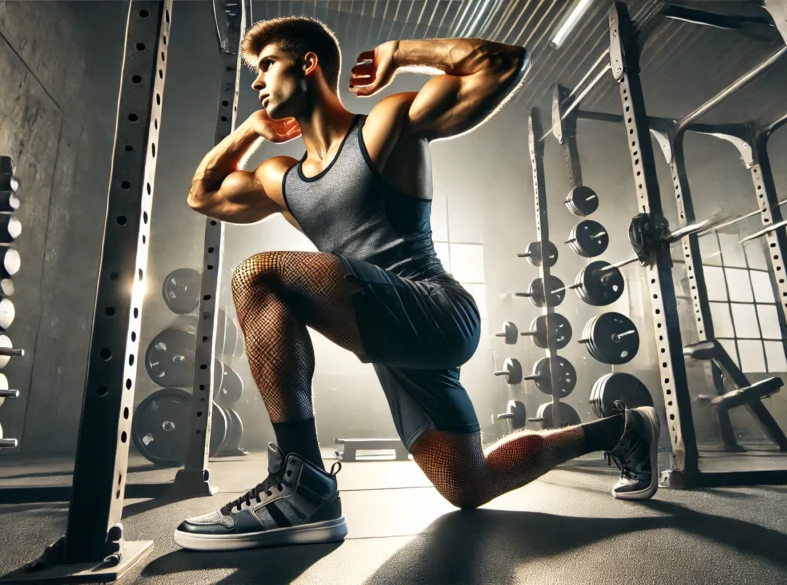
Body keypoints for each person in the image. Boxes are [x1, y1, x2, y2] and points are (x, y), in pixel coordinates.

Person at [174, 16, 660, 552]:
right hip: (390, 336)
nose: (257, 82)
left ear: (308, 64)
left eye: (266, 66)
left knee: (256, 274)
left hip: (436, 309)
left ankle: (304, 485)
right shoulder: (281, 177)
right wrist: (250, 130)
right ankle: (621, 429)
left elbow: (500, 64)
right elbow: (203, 195)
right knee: (468, 484)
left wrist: (403, 52)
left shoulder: (382, 126)